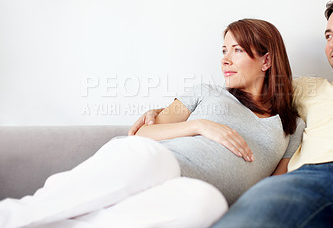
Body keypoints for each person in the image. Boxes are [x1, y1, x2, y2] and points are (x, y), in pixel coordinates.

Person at [0, 19, 304, 228]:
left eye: (236, 50)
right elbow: (143, 133)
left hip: (189, 192)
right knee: (153, 158)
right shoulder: (205, 92)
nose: (224, 60)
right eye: (223, 50)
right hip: (154, 162)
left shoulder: (291, 126)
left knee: (207, 203)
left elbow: (271, 187)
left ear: (266, 60)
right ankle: (11, 217)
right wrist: (200, 126)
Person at [133, 0, 333, 227]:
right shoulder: (307, 88)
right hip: (306, 181)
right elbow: (249, 82)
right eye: (329, 35)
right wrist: (168, 112)